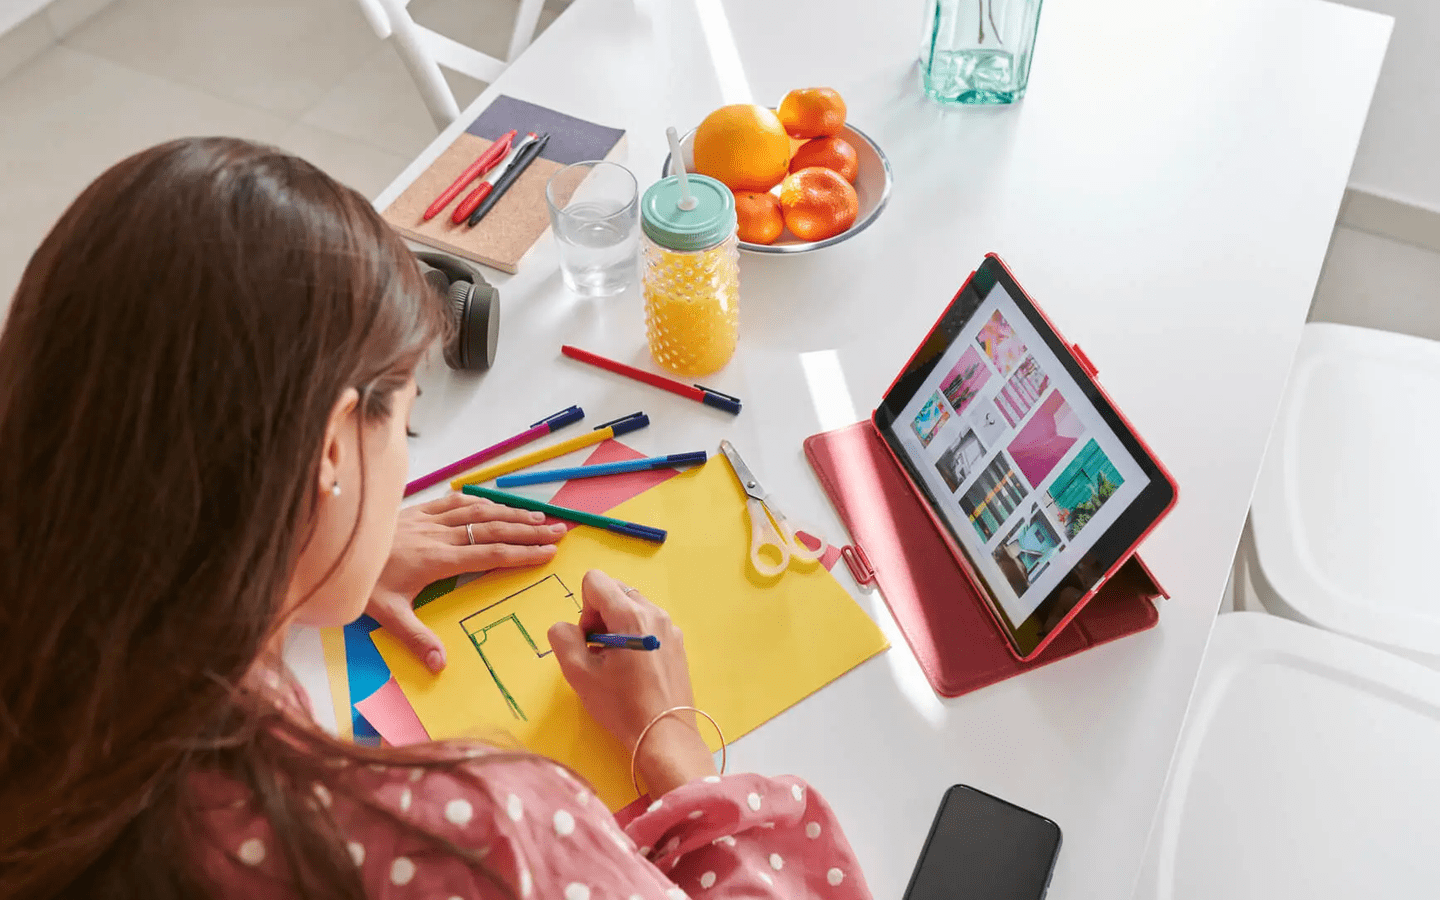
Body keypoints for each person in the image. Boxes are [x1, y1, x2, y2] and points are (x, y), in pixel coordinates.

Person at [0, 138, 871, 899]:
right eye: (407, 422)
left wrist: (289, 560)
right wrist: (671, 745)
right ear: (330, 453)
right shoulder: (475, 838)